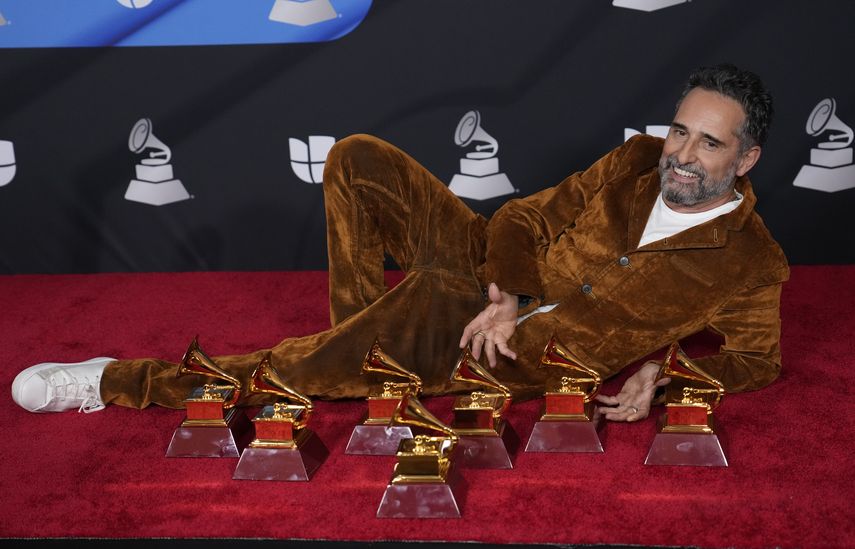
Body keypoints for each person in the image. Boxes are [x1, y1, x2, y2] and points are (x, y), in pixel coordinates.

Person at [11, 63, 788, 423]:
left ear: (745, 158)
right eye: (678, 130)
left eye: (706, 144)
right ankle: (362, 358)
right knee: (357, 158)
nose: (680, 156)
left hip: (523, 352)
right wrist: (507, 294)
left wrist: (663, 370)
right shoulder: (627, 161)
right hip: (488, 273)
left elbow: (756, 359)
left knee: (315, 356)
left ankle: (119, 381)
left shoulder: (753, 262)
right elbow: (521, 218)